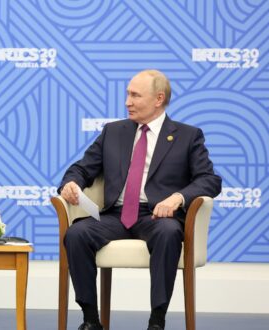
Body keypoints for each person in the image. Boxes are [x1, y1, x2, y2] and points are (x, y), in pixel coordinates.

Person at [58, 70, 221, 330]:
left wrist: (178, 198)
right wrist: (71, 183)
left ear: (158, 99)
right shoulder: (113, 131)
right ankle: (90, 319)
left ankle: (157, 320)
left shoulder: (188, 136)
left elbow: (209, 180)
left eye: (135, 95)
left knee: (168, 233)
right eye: (127, 94)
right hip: (116, 214)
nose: (127, 102)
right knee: (76, 234)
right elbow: (82, 168)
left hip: (158, 215)